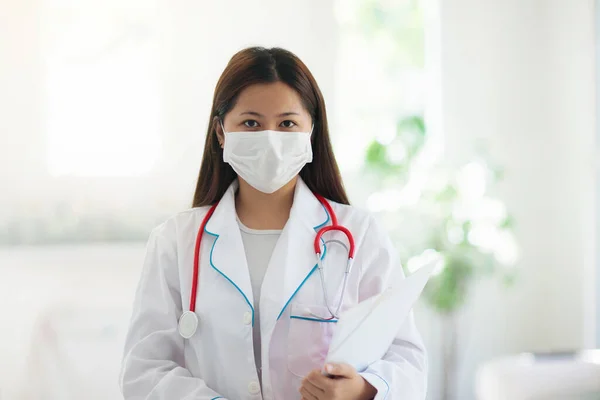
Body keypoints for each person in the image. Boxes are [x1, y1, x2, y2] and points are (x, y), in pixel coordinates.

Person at [120, 46, 427, 400]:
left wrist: (361, 390)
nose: (270, 139)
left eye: (287, 124)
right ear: (221, 132)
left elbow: (407, 361)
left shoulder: (359, 235)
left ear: (311, 131)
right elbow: (144, 369)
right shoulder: (175, 241)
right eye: (251, 123)